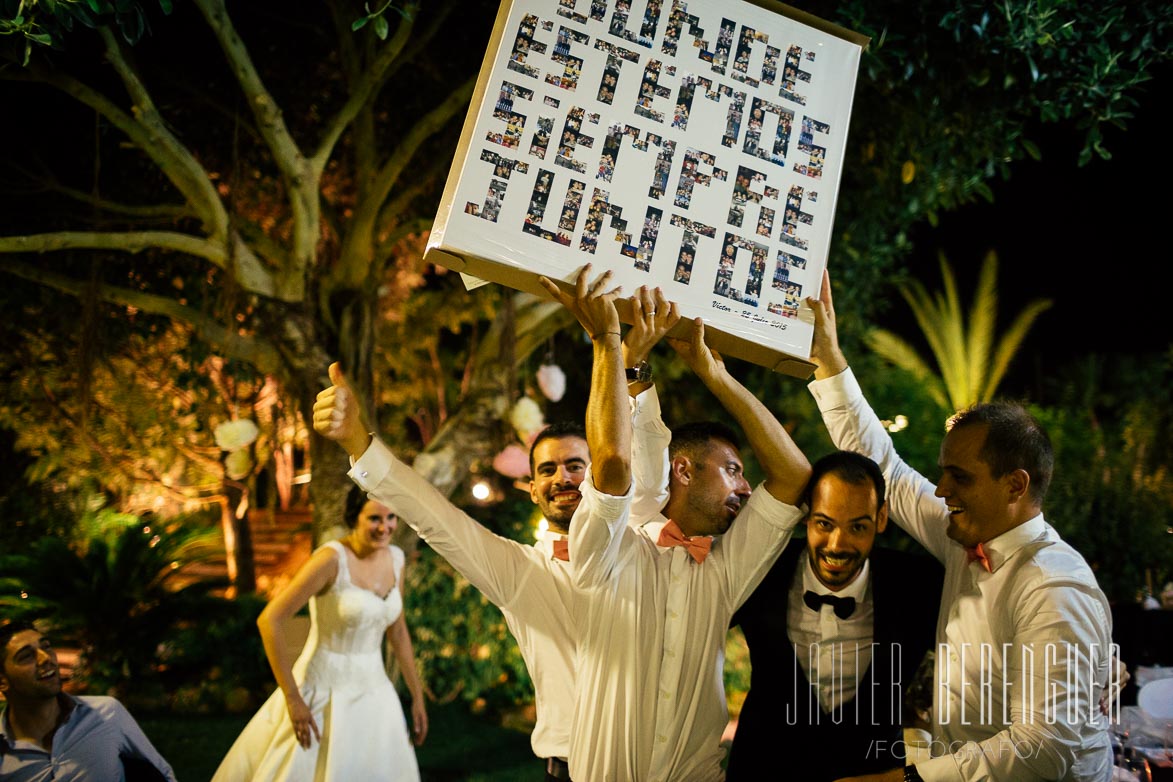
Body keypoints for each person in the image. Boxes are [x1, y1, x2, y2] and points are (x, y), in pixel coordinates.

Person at [311, 285, 680, 782]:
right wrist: (357, 439)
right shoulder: (519, 572)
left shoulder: (636, 538)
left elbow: (647, 474)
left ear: (595, 476)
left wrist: (632, 371)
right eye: (547, 470)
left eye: (576, 466)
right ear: (531, 489)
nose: (562, 478)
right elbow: (434, 517)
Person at [805, 272, 1114, 782]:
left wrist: (910, 779)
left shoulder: (1055, 588)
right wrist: (829, 361)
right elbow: (887, 469)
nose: (942, 490)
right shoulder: (966, 536)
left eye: (959, 477)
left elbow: (1042, 750)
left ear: (1015, 486)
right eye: (944, 472)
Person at [537, 265, 812, 781]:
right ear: (683, 470)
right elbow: (617, 464)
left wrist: (715, 373)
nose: (746, 488)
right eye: (732, 470)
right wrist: (608, 343)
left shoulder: (726, 568)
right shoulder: (609, 552)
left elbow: (795, 475)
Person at [726, 450, 944, 781]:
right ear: (805, 516)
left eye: (858, 526)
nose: (837, 544)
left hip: (872, 775)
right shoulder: (761, 568)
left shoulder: (919, 586)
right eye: (825, 524)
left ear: (881, 517)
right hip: (762, 771)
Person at [211, 487, 427, 782]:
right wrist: (293, 698)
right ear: (355, 517)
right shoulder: (330, 560)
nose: (385, 526)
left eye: (391, 517)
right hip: (323, 691)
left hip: (376, 693)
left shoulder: (396, 559)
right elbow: (269, 620)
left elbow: (398, 630)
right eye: (374, 518)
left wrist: (417, 695)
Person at [0, 619, 177, 781]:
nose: (45, 658)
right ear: (2, 680)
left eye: (46, 647)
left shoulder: (106, 713)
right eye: (26, 656)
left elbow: (163, 775)